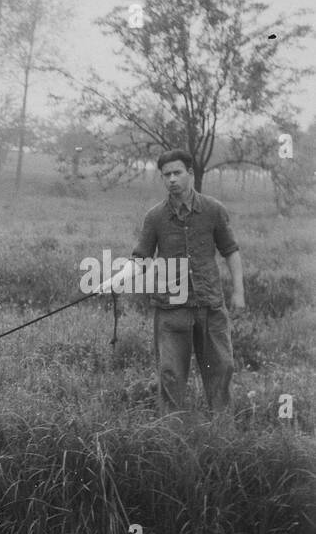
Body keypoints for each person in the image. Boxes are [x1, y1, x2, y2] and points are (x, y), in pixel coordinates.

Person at [99, 148, 245, 416]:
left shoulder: (213, 210)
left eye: (177, 173)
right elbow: (140, 258)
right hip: (171, 309)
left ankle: (222, 433)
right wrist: (115, 280)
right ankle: (171, 437)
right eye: (166, 175)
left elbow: (231, 251)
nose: (172, 179)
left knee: (221, 369)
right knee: (171, 375)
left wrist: (239, 293)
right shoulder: (155, 217)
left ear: (190, 174)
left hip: (210, 306)